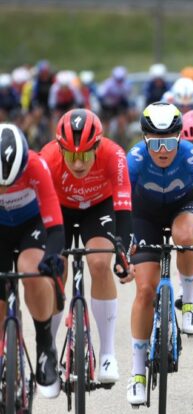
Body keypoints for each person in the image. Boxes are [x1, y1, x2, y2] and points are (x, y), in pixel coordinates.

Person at [125, 102, 193, 405]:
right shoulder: (135, 159)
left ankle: (188, 301)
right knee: (145, 291)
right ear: (145, 138)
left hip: (182, 209)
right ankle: (138, 374)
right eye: (155, 142)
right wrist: (123, 240)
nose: (163, 150)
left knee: (187, 236)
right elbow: (121, 205)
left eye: (169, 142)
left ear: (179, 137)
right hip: (145, 216)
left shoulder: (192, 156)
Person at [40, 109, 132, 384]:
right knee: (55, 270)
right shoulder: (47, 158)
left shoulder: (114, 155)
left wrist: (122, 253)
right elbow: (39, 211)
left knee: (100, 263)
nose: (78, 164)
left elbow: (124, 208)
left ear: (98, 146)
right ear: (59, 149)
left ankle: (107, 353)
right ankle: (50, 348)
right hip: (59, 209)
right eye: (70, 156)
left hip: (97, 206)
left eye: (84, 156)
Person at [0, 123, 65, 398]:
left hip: (32, 225)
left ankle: (44, 343)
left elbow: (56, 226)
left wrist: (51, 257)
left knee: (33, 272)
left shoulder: (37, 166)